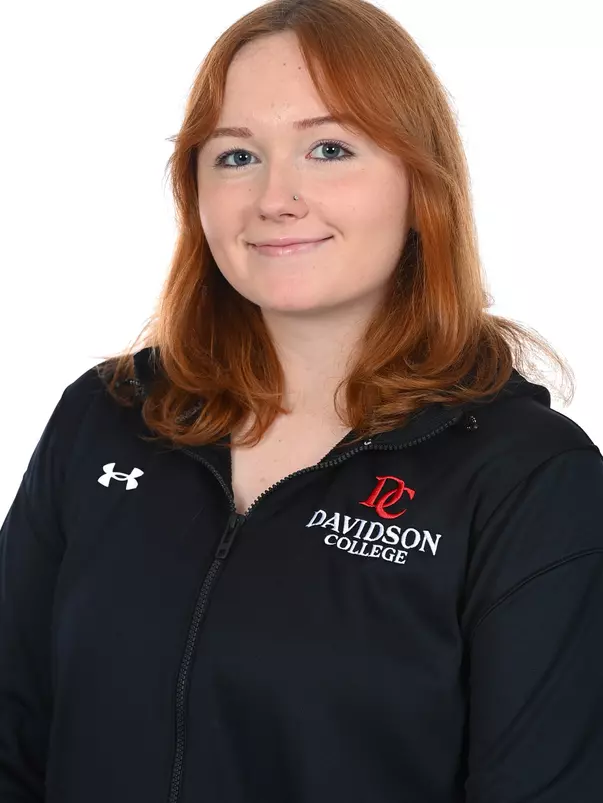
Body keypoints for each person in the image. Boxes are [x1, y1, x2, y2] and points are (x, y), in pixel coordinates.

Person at [1, 0, 602, 801]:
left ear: (419, 183)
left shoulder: (527, 479)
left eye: (328, 148)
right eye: (236, 155)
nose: (274, 197)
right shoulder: (104, 417)